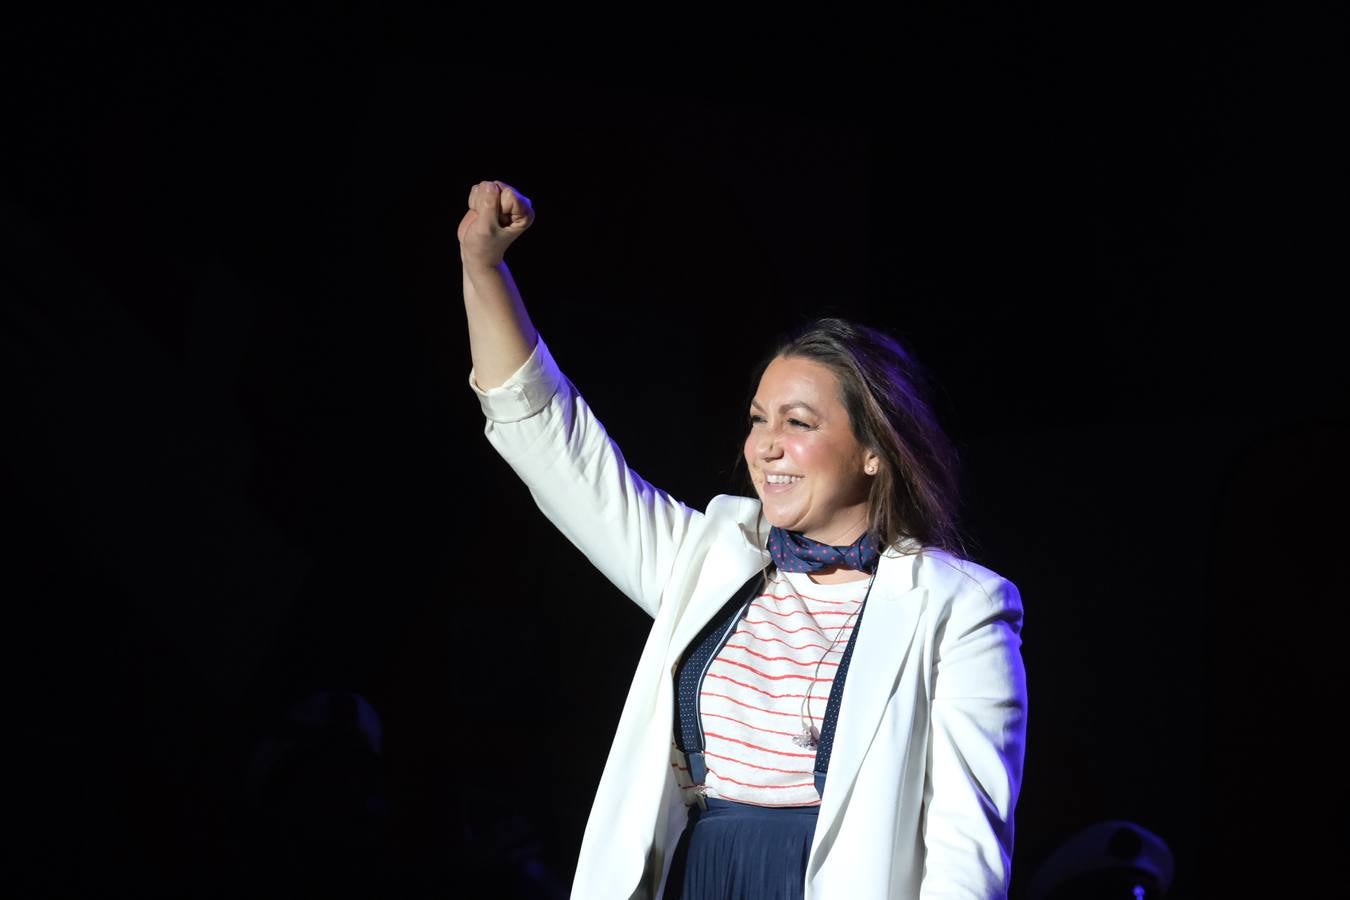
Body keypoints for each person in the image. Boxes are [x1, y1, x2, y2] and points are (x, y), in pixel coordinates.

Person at [457, 179, 1028, 900]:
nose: (766, 446)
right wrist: (484, 268)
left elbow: (963, 847)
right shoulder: (711, 558)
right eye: (759, 420)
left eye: (799, 422)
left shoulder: (959, 605)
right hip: (698, 877)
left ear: (874, 452)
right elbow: (554, 443)